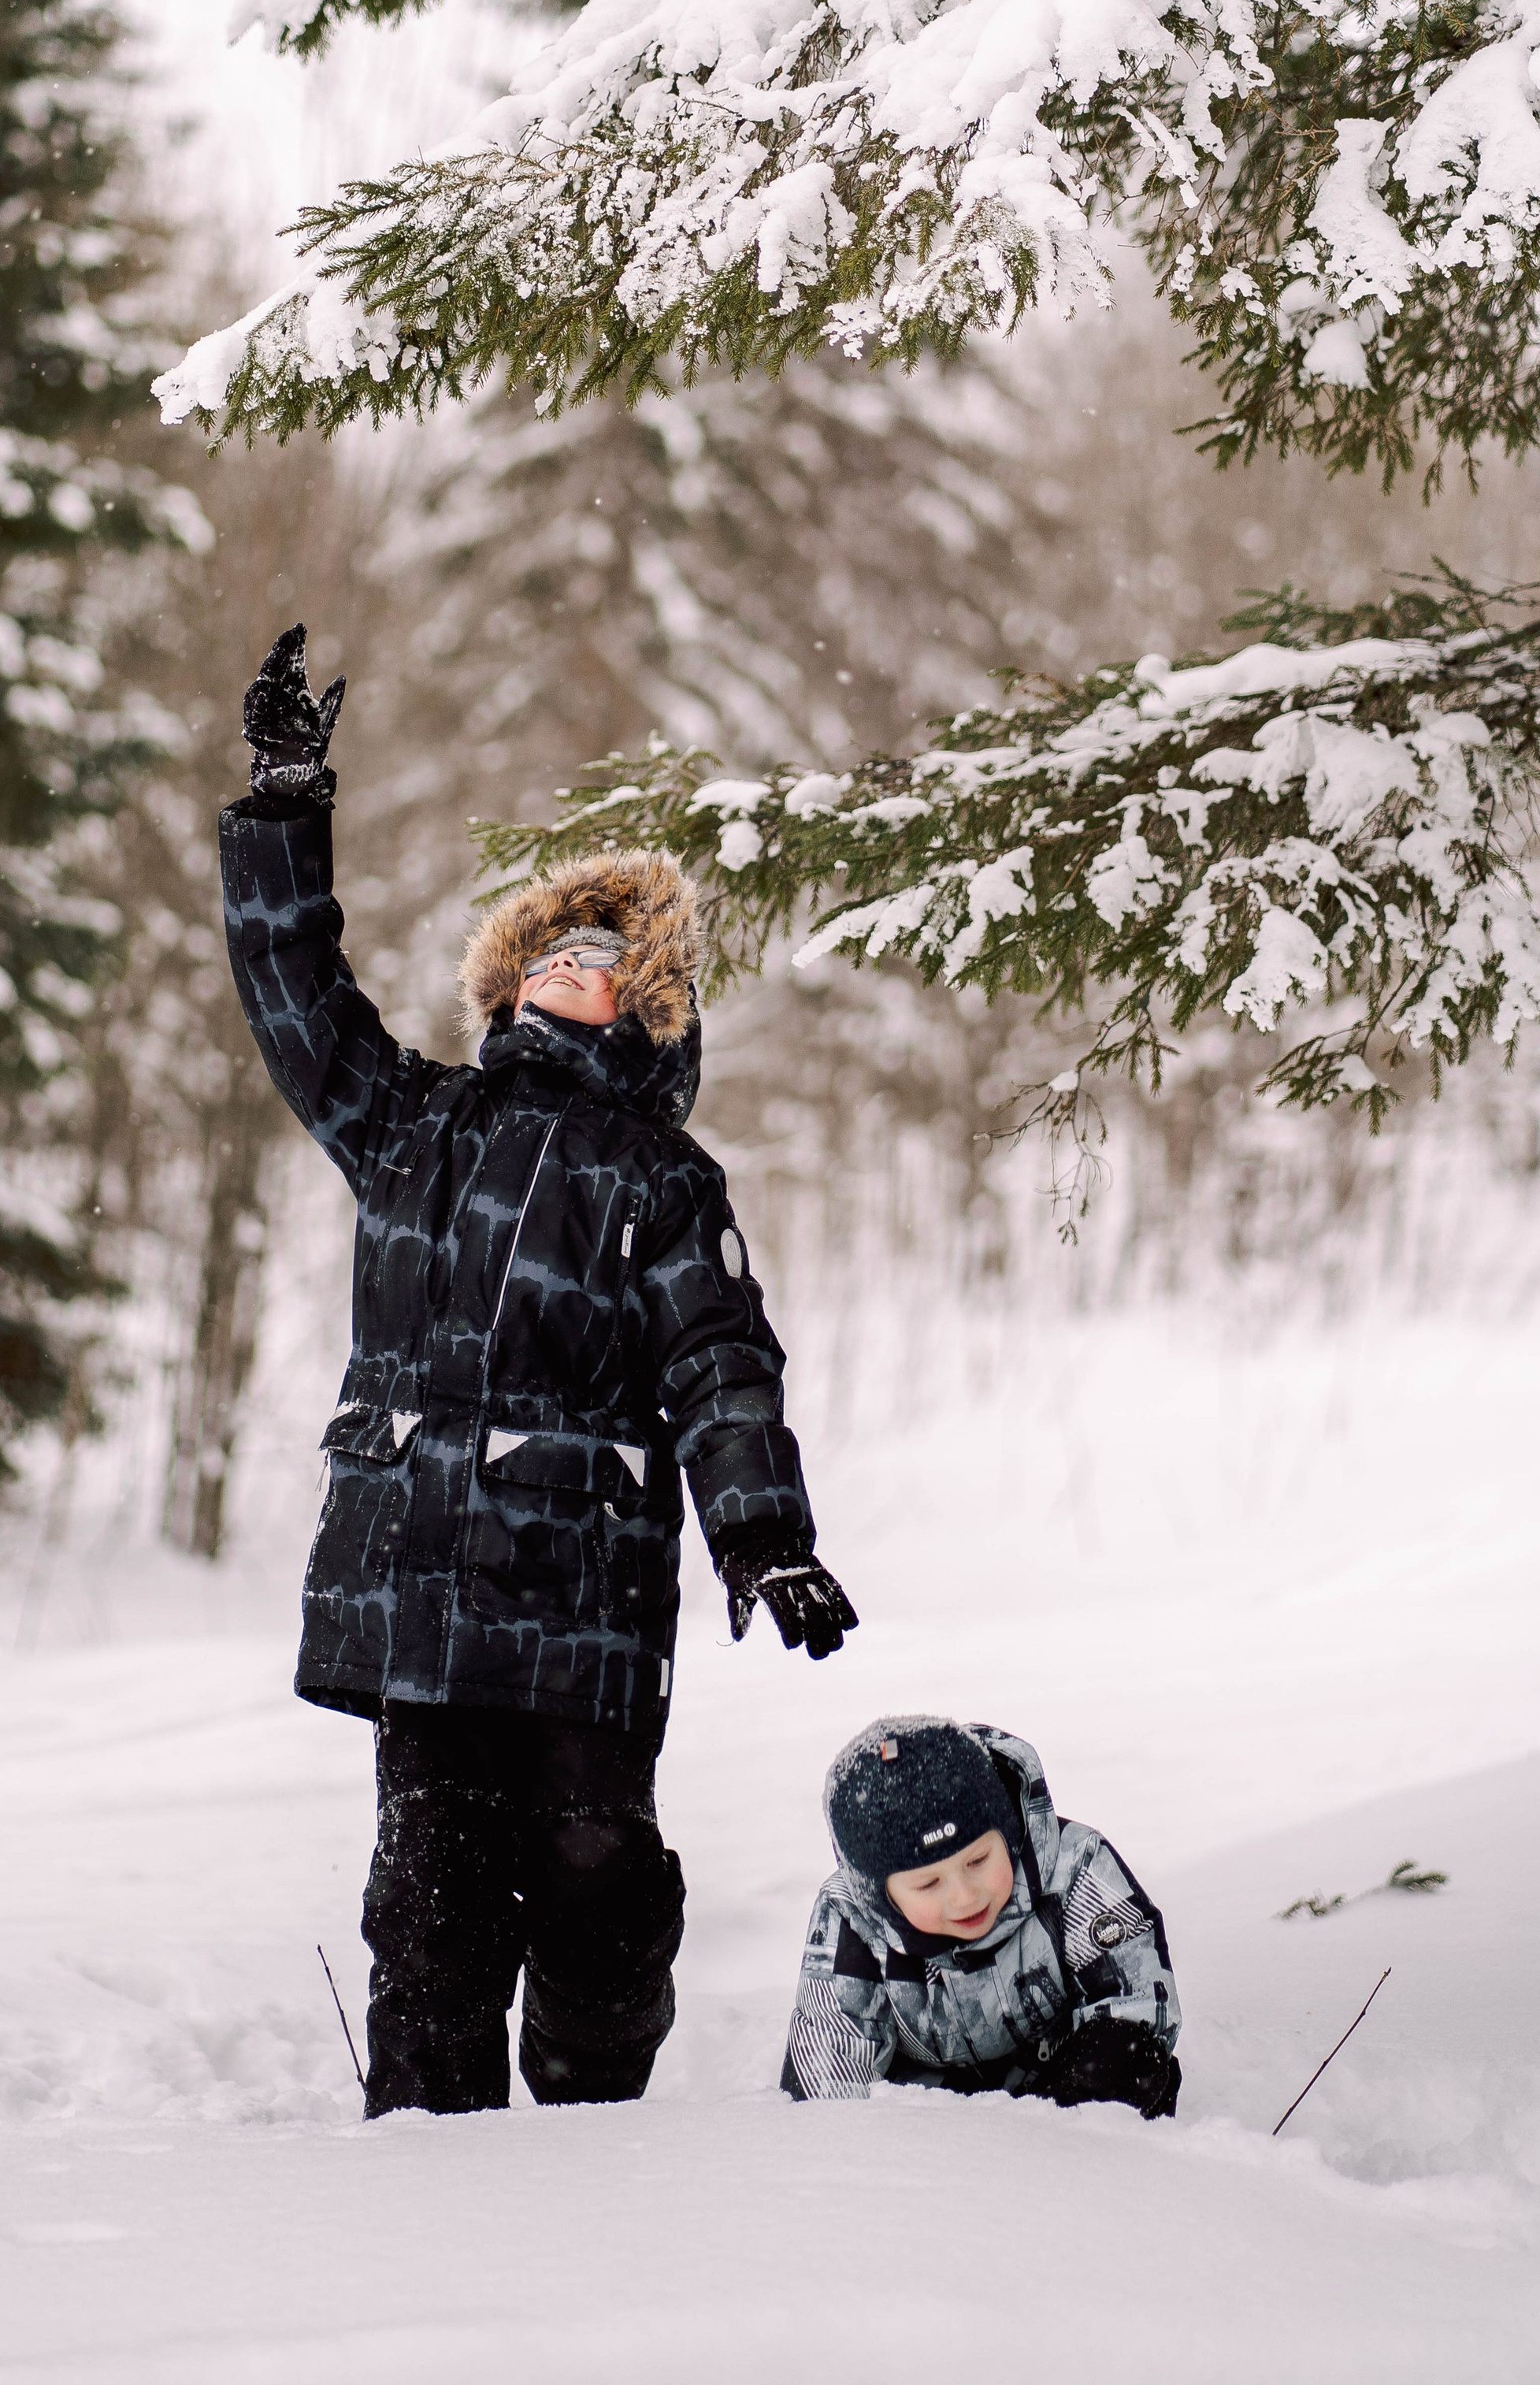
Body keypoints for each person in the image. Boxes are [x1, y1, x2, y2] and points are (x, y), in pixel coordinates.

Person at [221, 625, 858, 2117]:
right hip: (426, 1586)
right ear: (510, 983)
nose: (579, 968)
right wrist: (283, 807)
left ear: (646, 1007)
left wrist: (763, 1537)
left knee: (602, 1895)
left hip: (579, 1598)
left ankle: (590, 2143)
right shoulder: (409, 1124)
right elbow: (294, 995)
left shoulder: (661, 1174)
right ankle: (429, 2171)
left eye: (609, 959)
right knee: (432, 1909)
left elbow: (719, 1359)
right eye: (555, 950)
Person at [781, 1716, 1181, 2114]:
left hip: (1061, 2082)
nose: (965, 1896)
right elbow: (829, 2071)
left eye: (978, 1861)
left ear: (1006, 1834)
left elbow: (1137, 2001)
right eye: (928, 1885)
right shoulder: (850, 1919)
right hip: (930, 2114)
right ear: (879, 1894)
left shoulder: (1076, 1867)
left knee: (1129, 2055)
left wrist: (1069, 2116)